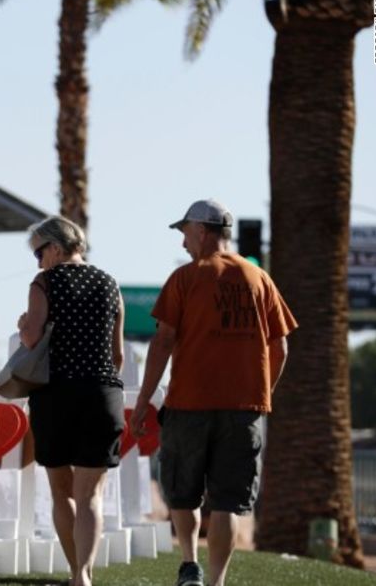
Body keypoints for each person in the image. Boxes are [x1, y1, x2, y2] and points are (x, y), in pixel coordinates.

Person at [131, 200, 296, 586]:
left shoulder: (185, 278)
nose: (184, 242)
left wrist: (142, 402)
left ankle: (190, 565)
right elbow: (281, 347)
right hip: (244, 409)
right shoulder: (258, 278)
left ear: (202, 231)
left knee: (182, 492)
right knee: (228, 502)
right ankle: (218, 580)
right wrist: (262, 393)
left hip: (189, 404)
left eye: (185, 232)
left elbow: (163, 342)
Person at [18, 215, 125, 586]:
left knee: (61, 491)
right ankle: (84, 576)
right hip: (101, 394)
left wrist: (22, 325)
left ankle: (76, 572)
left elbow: (31, 338)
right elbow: (118, 355)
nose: (38, 261)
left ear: (57, 248)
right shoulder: (109, 283)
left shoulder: (44, 283)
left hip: (57, 395)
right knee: (91, 494)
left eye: (39, 252)